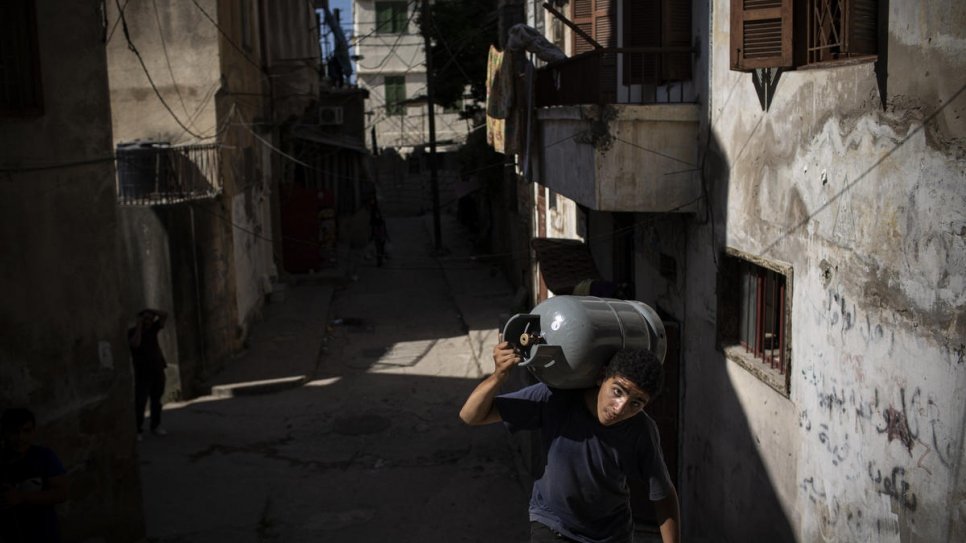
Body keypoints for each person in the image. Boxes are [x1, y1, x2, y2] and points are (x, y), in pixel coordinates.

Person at [460, 344, 680, 543]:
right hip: (553, 525)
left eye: (636, 403)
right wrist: (498, 375)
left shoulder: (641, 430)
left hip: (612, 534)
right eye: (618, 391)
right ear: (602, 376)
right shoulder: (555, 399)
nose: (620, 408)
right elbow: (471, 416)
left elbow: (663, 494)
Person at [0, 408, 69, 543]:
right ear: (4, 432)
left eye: (26, 431)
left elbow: (61, 493)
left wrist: (21, 497)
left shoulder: (44, 457)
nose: (20, 438)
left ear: (33, 432)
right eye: (14, 432)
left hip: (43, 535)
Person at [129, 308, 168, 439]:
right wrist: (139, 326)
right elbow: (135, 344)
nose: (148, 321)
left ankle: (155, 425)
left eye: (150, 319)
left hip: (157, 370)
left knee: (156, 400)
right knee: (140, 402)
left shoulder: (153, 330)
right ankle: (138, 429)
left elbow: (164, 315)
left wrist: (150, 310)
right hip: (142, 373)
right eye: (145, 319)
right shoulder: (133, 332)